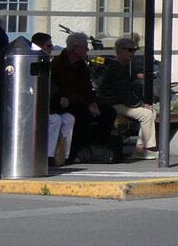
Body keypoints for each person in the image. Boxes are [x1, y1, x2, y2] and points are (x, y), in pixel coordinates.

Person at [51, 31, 116, 162]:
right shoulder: (58, 65)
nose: (87, 48)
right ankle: (76, 151)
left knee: (109, 112)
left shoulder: (82, 65)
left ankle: (97, 146)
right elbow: (66, 91)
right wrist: (88, 105)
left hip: (82, 101)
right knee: (83, 115)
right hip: (67, 102)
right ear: (74, 48)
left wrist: (93, 103)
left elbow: (87, 88)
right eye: (84, 46)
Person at [98, 37, 158, 159]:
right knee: (147, 113)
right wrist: (141, 104)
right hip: (111, 103)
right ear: (120, 51)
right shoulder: (116, 68)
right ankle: (144, 149)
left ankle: (142, 147)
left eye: (134, 50)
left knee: (149, 112)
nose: (133, 53)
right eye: (130, 50)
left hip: (116, 102)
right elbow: (124, 93)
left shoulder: (122, 67)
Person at [32, 32, 75, 167]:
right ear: (38, 46)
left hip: (51, 104)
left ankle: (63, 156)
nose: (51, 49)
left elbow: (56, 86)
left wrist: (64, 98)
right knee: (55, 119)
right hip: (38, 106)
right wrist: (58, 100)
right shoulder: (33, 61)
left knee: (69, 118)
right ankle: (48, 155)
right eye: (49, 46)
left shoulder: (48, 63)